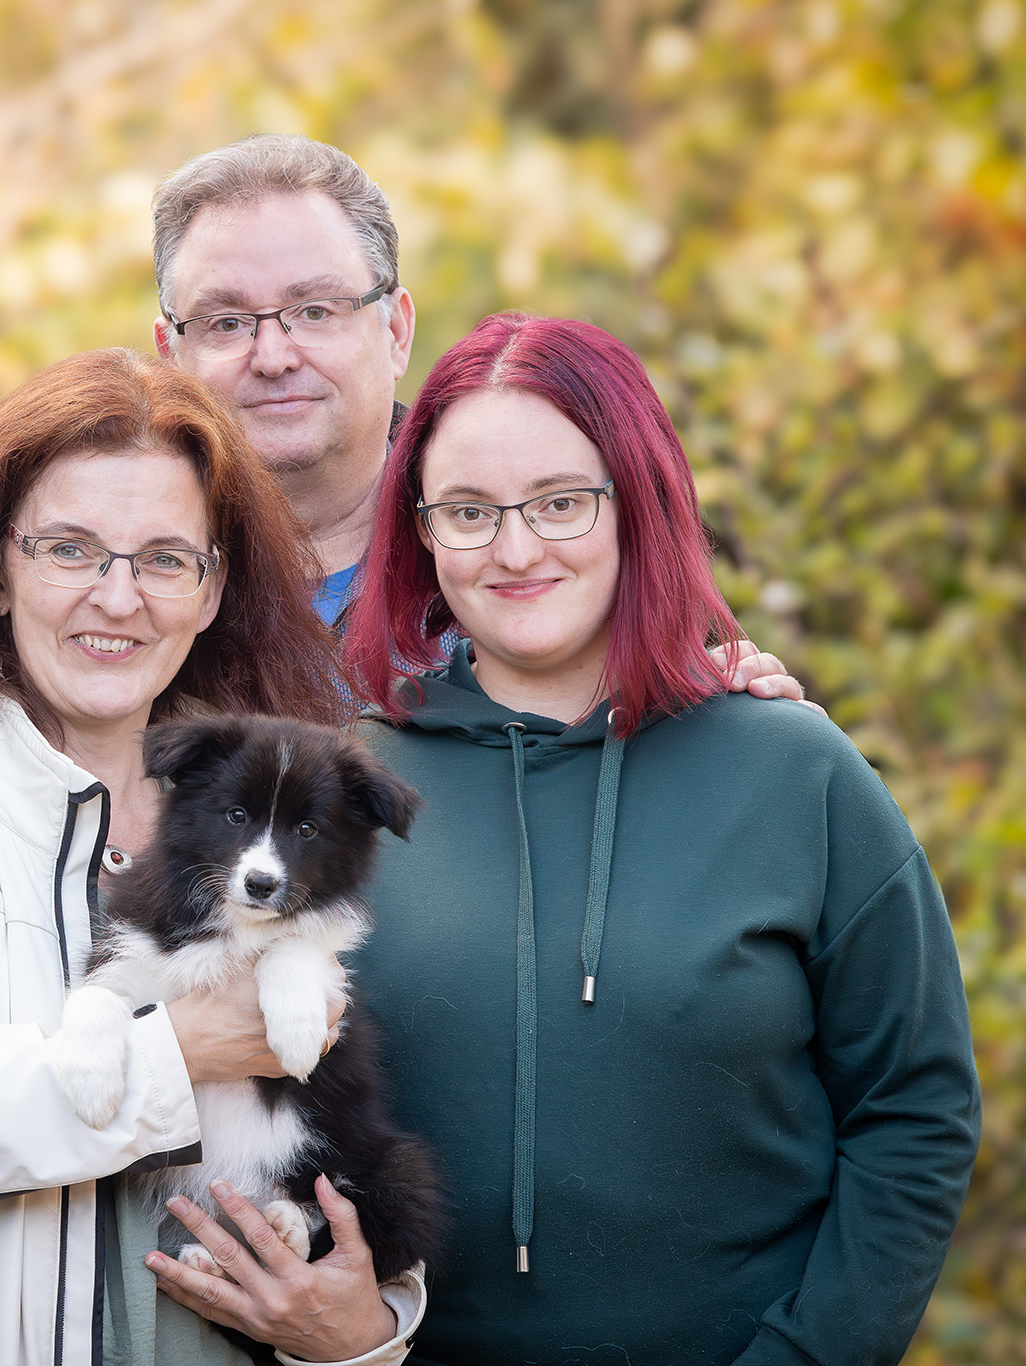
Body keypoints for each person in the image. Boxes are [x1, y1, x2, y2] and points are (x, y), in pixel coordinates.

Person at [0, 348, 430, 1366]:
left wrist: (357, 1330)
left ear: (208, 591)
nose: (117, 597)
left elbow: (335, 1136)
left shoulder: (278, 810)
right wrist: (177, 1049)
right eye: (69, 549)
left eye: (162, 558)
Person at [317, 311, 980, 1364]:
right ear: (420, 530)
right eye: (469, 511)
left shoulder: (793, 773)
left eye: (560, 502)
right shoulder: (348, 788)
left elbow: (914, 1110)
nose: (517, 547)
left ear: (638, 501)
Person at [147, 135, 811, 707]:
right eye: (225, 322)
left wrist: (732, 722)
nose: (273, 356)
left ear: (397, 330)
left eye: (316, 310)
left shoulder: (539, 557)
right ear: (170, 352)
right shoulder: (124, 580)